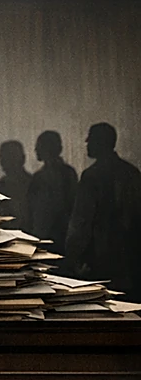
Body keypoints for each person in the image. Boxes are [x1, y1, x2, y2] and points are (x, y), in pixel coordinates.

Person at [66, 123, 141, 298]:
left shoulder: (92, 176)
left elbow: (81, 221)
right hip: (131, 257)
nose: (86, 141)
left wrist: (72, 255)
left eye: (90, 138)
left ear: (100, 142)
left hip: (100, 257)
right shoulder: (132, 173)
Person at [26, 131, 78, 254]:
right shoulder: (66, 173)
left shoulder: (42, 176)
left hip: (54, 232)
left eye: (39, 146)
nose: (35, 149)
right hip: (54, 232)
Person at [0, 140, 32, 229]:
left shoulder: (35, 185)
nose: (5, 161)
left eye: (11, 157)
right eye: (3, 157)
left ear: (22, 159)